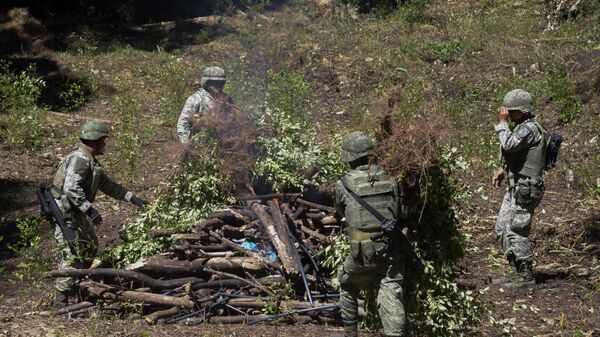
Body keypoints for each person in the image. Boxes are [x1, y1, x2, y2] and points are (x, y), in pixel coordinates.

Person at [51, 121, 148, 307]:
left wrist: (132, 198)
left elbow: (108, 185)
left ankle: (77, 285)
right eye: (103, 140)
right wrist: (90, 209)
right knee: (71, 254)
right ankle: (60, 301)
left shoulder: (89, 160)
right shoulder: (80, 159)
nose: (105, 144)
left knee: (89, 246)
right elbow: (71, 188)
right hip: (65, 215)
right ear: (95, 141)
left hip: (75, 213)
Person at [335, 131, 407, 337]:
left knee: (346, 283)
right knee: (391, 292)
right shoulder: (391, 179)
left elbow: (341, 212)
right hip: (393, 249)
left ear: (348, 156)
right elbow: (401, 212)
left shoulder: (344, 185)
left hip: (362, 252)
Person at [492, 89, 549, 285]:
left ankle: (525, 275)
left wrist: (502, 124)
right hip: (516, 185)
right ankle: (516, 269)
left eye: (512, 111)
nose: (508, 114)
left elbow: (509, 144)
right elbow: (516, 153)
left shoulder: (530, 129)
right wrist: (503, 170)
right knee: (502, 228)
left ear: (523, 111)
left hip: (526, 188)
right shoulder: (522, 126)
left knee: (517, 230)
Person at [176, 66, 232, 143]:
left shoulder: (227, 99)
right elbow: (183, 123)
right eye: (214, 83)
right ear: (207, 83)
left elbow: (232, 121)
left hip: (223, 144)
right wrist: (187, 145)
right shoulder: (196, 99)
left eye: (220, 83)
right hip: (200, 145)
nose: (217, 86)